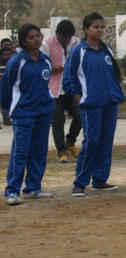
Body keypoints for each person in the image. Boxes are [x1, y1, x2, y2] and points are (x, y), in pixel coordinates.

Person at [63, 12, 126, 196]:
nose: (99, 30)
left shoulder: (107, 50)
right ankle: (80, 182)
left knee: (106, 142)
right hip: (91, 105)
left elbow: (114, 74)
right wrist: (79, 98)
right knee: (92, 141)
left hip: (110, 103)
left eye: (101, 27)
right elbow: (69, 77)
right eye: (95, 27)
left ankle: (100, 179)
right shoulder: (79, 51)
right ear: (85, 29)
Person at [3, 25, 55, 205]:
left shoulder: (46, 61)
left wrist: (49, 105)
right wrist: (10, 110)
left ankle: (33, 187)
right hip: (23, 113)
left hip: (43, 112)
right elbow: (7, 88)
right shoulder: (16, 62)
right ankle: (12, 190)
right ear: (24, 41)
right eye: (32, 37)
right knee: (20, 151)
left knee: (39, 151)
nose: (37, 40)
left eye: (38, 36)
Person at [43, 19, 81, 164]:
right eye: (63, 37)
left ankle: (70, 141)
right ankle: (61, 152)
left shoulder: (76, 43)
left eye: (68, 37)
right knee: (57, 121)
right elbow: (44, 68)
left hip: (71, 87)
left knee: (79, 116)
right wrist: (61, 67)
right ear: (57, 34)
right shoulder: (47, 44)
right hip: (54, 89)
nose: (66, 40)